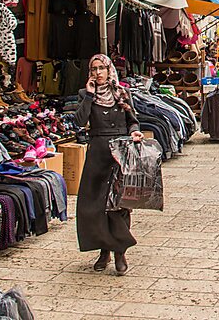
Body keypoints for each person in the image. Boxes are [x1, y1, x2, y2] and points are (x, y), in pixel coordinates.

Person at [76, 54, 144, 276]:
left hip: (119, 153)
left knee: (118, 205)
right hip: (97, 152)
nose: (97, 73)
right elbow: (80, 121)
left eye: (101, 68)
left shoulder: (122, 93)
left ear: (109, 70)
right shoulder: (86, 95)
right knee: (95, 205)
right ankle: (104, 250)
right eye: (93, 69)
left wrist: (134, 131)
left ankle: (119, 252)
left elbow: (132, 119)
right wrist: (89, 95)